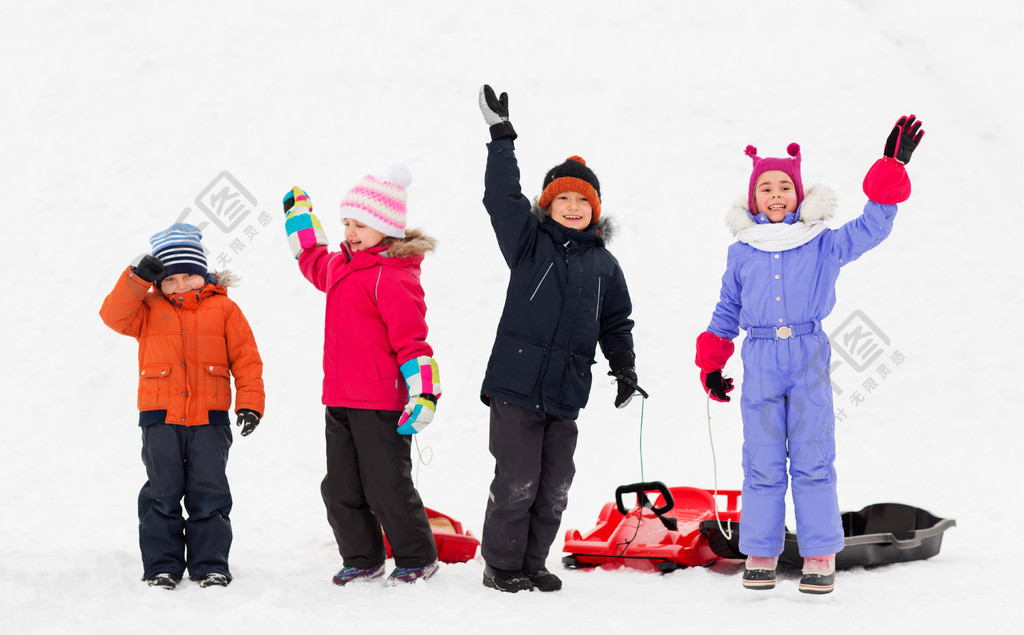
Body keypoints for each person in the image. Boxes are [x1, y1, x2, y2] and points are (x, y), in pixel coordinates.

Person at [695, 116, 925, 594]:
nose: (776, 195)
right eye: (766, 188)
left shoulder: (821, 242)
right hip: (758, 357)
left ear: (799, 195)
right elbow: (727, 308)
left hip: (807, 354)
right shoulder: (742, 251)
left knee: (813, 456)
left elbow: (870, 229)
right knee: (760, 459)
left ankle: (819, 554)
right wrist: (713, 361)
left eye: (784, 187)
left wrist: (890, 170)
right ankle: (761, 551)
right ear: (753, 198)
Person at [476, 85, 641, 593]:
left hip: (566, 393)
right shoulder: (528, 243)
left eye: (582, 200)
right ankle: (501, 565)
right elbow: (501, 199)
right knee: (516, 484)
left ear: (595, 209)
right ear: (546, 206)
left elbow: (616, 322)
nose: (572, 207)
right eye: (562, 199)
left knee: (552, 489)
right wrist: (501, 137)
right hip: (517, 387)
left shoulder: (605, 266)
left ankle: (533, 561)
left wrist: (624, 367)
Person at [283, 165, 441, 586]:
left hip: (380, 402)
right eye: (347, 223)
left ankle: (416, 556)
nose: (351, 232)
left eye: (361, 224)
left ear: (387, 229)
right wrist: (300, 217)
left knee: (386, 485)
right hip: (339, 398)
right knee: (340, 488)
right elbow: (312, 258)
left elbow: (413, 342)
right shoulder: (340, 267)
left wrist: (423, 394)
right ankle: (362, 557)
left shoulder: (393, 278)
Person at [100, 222, 265, 590]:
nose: (180, 285)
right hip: (161, 419)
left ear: (203, 274)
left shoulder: (224, 309)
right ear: (158, 282)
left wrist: (250, 404)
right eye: (170, 279)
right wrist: (135, 279)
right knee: (162, 493)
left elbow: (247, 359)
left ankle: (210, 565)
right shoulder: (146, 309)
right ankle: (163, 565)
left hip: (210, 420)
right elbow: (112, 316)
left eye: (189, 276)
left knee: (210, 495)